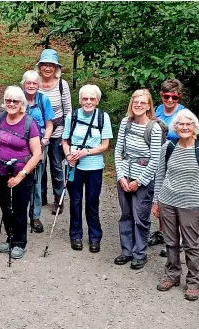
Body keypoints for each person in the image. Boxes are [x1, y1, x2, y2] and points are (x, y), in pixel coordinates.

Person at [152, 109, 199, 301]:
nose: (184, 127)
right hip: (167, 201)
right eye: (181, 124)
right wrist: (156, 202)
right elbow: (160, 176)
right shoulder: (167, 148)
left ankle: (193, 282)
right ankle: (172, 275)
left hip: (191, 203)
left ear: (195, 127)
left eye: (188, 124)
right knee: (170, 241)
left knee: (191, 244)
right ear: (175, 127)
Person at [0, 86, 42, 259]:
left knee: (19, 209)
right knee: (5, 207)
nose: (11, 103)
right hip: (1, 170)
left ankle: (20, 242)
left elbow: (37, 154)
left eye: (15, 101)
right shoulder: (0, 119)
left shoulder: (29, 123)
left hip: (22, 173)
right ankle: (10, 236)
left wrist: (21, 176)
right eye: (8, 100)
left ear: (22, 104)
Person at [113, 89, 162, 269]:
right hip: (124, 178)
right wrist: (120, 177)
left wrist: (138, 181)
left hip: (143, 180)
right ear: (131, 104)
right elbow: (118, 152)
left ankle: (139, 253)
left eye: (143, 102)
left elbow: (155, 160)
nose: (139, 105)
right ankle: (126, 251)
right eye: (136, 102)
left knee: (140, 217)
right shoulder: (126, 123)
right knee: (125, 215)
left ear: (149, 105)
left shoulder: (154, 128)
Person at [62, 84, 113, 253]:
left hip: (94, 166)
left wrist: (86, 152)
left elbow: (105, 145)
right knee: (75, 201)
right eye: (85, 98)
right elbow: (65, 141)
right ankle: (75, 235)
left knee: (92, 201)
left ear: (97, 101)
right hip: (74, 166)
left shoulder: (102, 117)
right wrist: (69, 156)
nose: (88, 102)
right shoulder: (72, 115)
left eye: (92, 99)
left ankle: (94, 237)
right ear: (80, 100)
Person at [149, 79, 189, 256]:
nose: (170, 100)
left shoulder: (184, 113)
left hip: (176, 159)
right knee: (159, 197)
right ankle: (163, 232)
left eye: (175, 96)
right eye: (167, 96)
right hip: (158, 158)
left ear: (179, 96)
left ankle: (176, 238)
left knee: (174, 199)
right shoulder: (157, 109)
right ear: (161, 95)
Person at [36, 49, 72, 215]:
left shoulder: (61, 85)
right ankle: (41, 195)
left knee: (56, 165)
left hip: (58, 130)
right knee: (39, 164)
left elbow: (68, 111)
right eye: (45, 65)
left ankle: (59, 198)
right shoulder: (34, 82)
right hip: (38, 131)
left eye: (51, 65)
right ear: (40, 66)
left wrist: (67, 135)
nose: (48, 68)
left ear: (56, 68)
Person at [21, 70, 54, 233]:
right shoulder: (18, 99)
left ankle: (35, 216)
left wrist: (45, 140)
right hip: (20, 145)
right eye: (29, 83)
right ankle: (18, 214)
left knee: (37, 180)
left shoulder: (43, 100)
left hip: (39, 145)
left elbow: (49, 124)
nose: (32, 86)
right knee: (20, 177)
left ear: (39, 85)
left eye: (35, 83)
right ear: (23, 84)